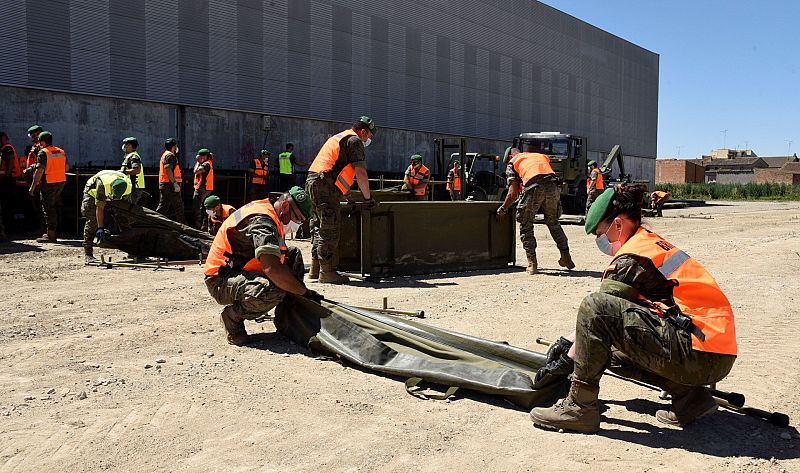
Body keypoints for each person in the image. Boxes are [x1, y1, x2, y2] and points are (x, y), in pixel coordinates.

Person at [529, 186, 737, 434]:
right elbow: (607, 327)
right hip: (715, 353)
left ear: (617, 224)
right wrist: (568, 341)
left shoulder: (630, 260)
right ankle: (691, 399)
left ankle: (579, 408)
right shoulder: (650, 244)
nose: (600, 241)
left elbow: (597, 317)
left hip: (697, 352)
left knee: (593, 305)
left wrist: (563, 361)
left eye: (600, 234)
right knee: (612, 353)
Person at [204, 186, 322, 345]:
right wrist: (305, 292)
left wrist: (300, 291)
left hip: (240, 266)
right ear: (285, 206)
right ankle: (232, 317)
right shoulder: (262, 221)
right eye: (298, 219)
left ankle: (289, 312)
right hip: (220, 279)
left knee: (293, 255)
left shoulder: (270, 212)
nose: (296, 225)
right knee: (273, 290)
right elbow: (272, 269)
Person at [306, 116, 377, 284]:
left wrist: (348, 196)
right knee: (330, 227)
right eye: (369, 136)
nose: (368, 140)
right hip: (324, 185)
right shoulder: (354, 141)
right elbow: (360, 172)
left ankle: (315, 269)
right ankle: (327, 271)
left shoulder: (339, 137)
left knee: (319, 225)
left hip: (314, 181)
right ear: (363, 131)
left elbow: (337, 172)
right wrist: (368, 198)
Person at [496, 147, 574, 274]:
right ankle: (566, 257)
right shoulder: (539, 156)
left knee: (526, 224)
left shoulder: (513, 162)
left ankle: (532, 264)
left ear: (510, 156)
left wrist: (503, 208)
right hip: (553, 187)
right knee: (553, 222)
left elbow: (512, 193)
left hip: (534, 188)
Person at [81, 170, 132, 263]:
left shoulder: (128, 186)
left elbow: (125, 209)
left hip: (111, 190)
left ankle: (132, 251)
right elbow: (99, 208)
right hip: (92, 192)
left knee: (124, 219)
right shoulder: (102, 185)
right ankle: (88, 253)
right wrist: (100, 227)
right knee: (92, 220)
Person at [29, 131, 68, 243]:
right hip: (60, 183)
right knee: (53, 207)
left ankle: (51, 235)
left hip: (49, 182)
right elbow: (67, 168)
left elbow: (39, 171)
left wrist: (32, 187)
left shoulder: (43, 153)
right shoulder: (61, 151)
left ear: (42, 141)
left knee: (48, 209)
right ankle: (53, 232)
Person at [22, 125, 45, 235]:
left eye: (33, 135)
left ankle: (42, 230)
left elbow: (39, 165)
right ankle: (38, 228)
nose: (32, 138)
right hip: (33, 180)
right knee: (36, 206)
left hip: (38, 181)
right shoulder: (35, 147)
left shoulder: (40, 148)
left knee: (40, 207)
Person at [156, 138, 185, 223]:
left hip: (164, 183)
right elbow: (168, 169)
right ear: (174, 146)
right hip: (170, 185)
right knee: (178, 206)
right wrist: (175, 183)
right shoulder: (170, 155)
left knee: (163, 206)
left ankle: (156, 222)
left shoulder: (165, 155)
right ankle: (183, 226)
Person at [0, 131, 21, 240]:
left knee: (7, 205)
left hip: (8, 180)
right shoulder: (4, 149)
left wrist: (7, 177)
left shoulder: (7, 148)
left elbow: (10, 163)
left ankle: (7, 230)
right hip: (7, 180)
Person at [120, 136, 147, 207]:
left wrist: (122, 172)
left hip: (134, 187)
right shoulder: (129, 156)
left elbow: (136, 170)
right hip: (131, 187)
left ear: (131, 146)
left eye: (127, 144)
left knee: (129, 209)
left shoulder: (134, 156)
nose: (124, 146)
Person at [192, 148, 214, 231]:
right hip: (208, 188)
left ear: (206, 156)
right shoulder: (209, 163)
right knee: (206, 208)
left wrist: (197, 162)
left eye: (201, 156)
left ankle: (197, 226)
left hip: (202, 189)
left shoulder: (206, 164)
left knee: (196, 208)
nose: (200, 158)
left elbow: (196, 171)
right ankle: (205, 226)